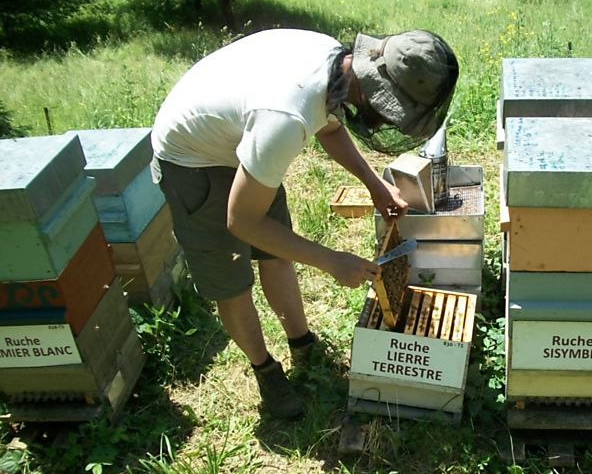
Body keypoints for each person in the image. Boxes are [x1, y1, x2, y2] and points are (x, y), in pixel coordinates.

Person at [150, 28, 459, 419]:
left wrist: (375, 185)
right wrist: (332, 261)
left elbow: (329, 126)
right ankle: (265, 371)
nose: (384, 122)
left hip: (244, 137)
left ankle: (301, 341)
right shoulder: (285, 117)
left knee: (277, 254)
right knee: (232, 280)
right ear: (369, 85)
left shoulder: (336, 70)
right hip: (191, 157)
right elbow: (241, 221)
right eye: (388, 111)